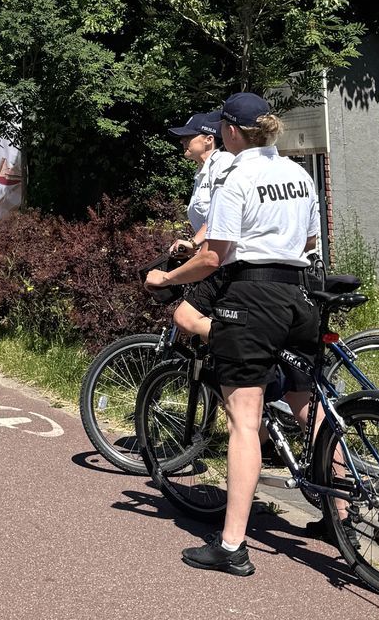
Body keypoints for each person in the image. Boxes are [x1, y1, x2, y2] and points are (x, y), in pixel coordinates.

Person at [145, 92, 320, 577]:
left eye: (222, 125)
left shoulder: (237, 177)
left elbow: (211, 258)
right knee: (311, 406)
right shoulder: (298, 173)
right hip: (299, 296)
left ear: (233, 131)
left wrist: (166, 279)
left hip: (254, 297)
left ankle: (231, 546)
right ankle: (338, 517)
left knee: (245, 419)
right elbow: (307, 241)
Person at [165, 111, 234, 341]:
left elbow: (219, 212)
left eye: (189, 136)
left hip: (227, 262)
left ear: (208, 139)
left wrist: (194, 241)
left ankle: (241, 343)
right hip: (213, 259)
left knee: (188, 316)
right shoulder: (201, 173)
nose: (182, 141)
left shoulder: (223, 164)